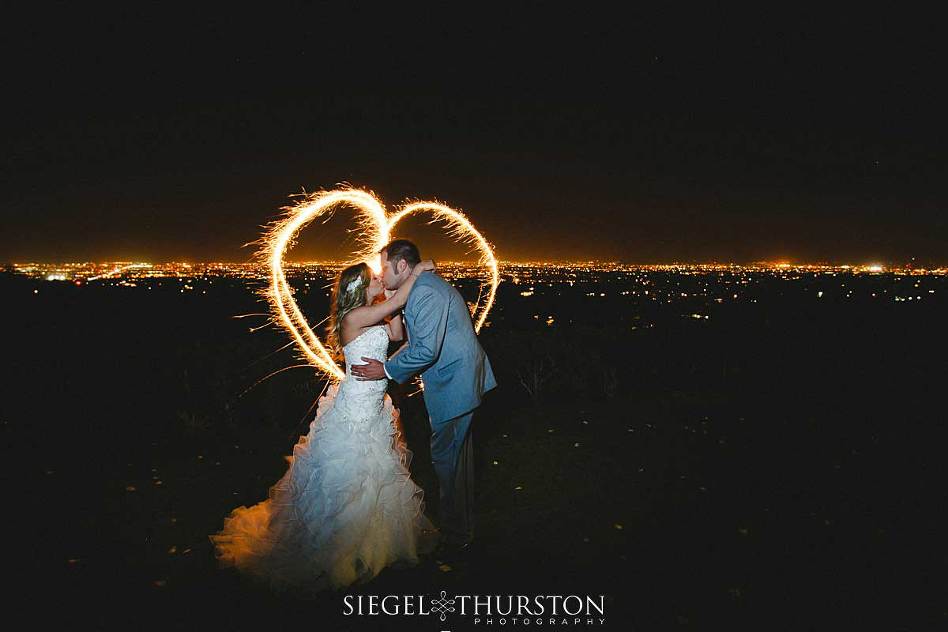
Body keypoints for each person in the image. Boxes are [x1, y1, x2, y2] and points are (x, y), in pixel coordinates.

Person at [209, 258, 438, 594]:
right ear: (360, 288)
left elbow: (397, 332)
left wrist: (392, 304)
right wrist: (415, 274)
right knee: (348, 476)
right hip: (354, 409)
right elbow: (398, 301)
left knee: (376, 474)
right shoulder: (354, 318)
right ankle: (336, 546)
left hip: (374, 407)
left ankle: (371, 543)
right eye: (374, 278)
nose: (380, 280)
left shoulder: (372, 313)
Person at [351, 239, 497, 560]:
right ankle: (463, 526)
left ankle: (456, 535)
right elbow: (420, 343)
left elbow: (426, 351)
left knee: (447, 459)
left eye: (383, 267)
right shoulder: (422, 288)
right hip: (459, 380)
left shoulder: (425, 293)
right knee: (457, 458)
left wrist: (387, 370)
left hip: (454, 385)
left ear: (402, 266)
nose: (381, 273)